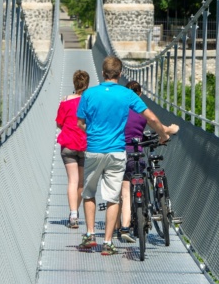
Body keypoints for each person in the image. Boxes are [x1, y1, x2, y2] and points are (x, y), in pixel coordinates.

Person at [77, 56, 179, 255]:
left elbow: (80, 123)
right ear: (120, 73)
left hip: (94, 149)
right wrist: (163, 134)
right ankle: (107, 243)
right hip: (117, 151)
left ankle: (90, 235)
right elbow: (150, 118)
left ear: (102, 72)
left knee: (89, 192)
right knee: (113, 197)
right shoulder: (127, 94)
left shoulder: (88, 94)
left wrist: (94, 133)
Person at [55, 69, 90, 229]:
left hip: (68, 144)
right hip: (84, 145)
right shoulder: (90, 102)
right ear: (87, 84)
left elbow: (59, 123)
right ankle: (76, 211)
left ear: (74, 84)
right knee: (81, 182)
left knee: (72, 181)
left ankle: (73, 214)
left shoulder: (65, 101)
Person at [114, 80, 147, 243]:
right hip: (138, 155)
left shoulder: (120, 111)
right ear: (139, 94)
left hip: (122, 154)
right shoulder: (143, 113)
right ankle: (129, 225)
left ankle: (119, 228)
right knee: (135, 185)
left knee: (123, 193)